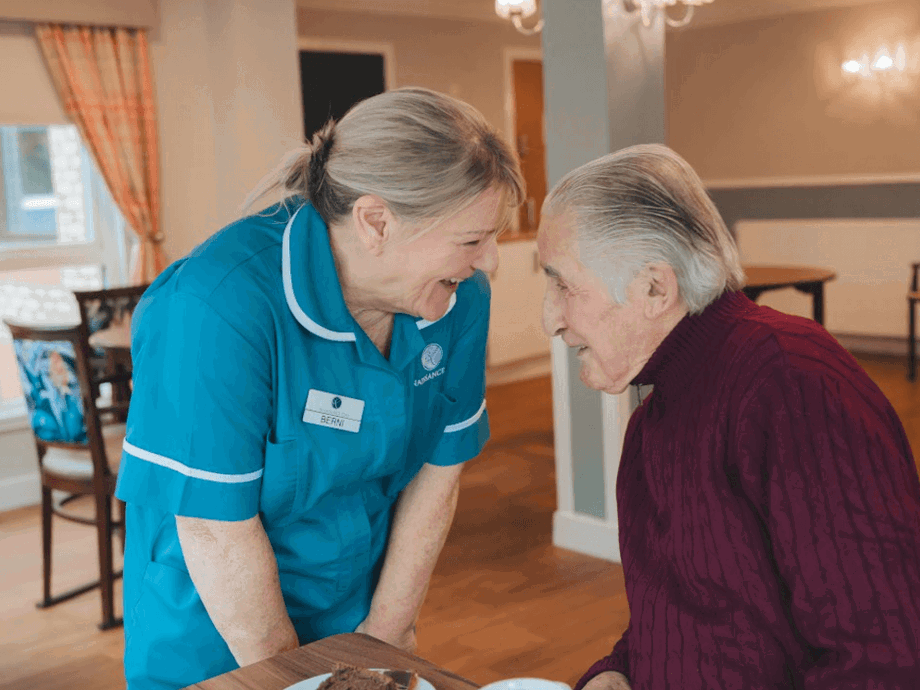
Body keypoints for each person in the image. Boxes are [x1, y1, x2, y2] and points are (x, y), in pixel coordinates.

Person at [116, 87, 524, 690]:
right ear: (376, 221)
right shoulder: (213, 307)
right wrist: (300, 680)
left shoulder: (456, 299)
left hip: (356, 608)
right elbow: (212, 527)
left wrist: (386, 639)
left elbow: (440, 471)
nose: (490, 261)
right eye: (471, 240)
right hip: (213, 631)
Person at [537, 144, 920, 689]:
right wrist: (616, 671)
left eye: (563, 285)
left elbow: (884, 657)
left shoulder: (790, 381)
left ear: (654, 287)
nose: (549, 319)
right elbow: (690, 612)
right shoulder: (655, 415)